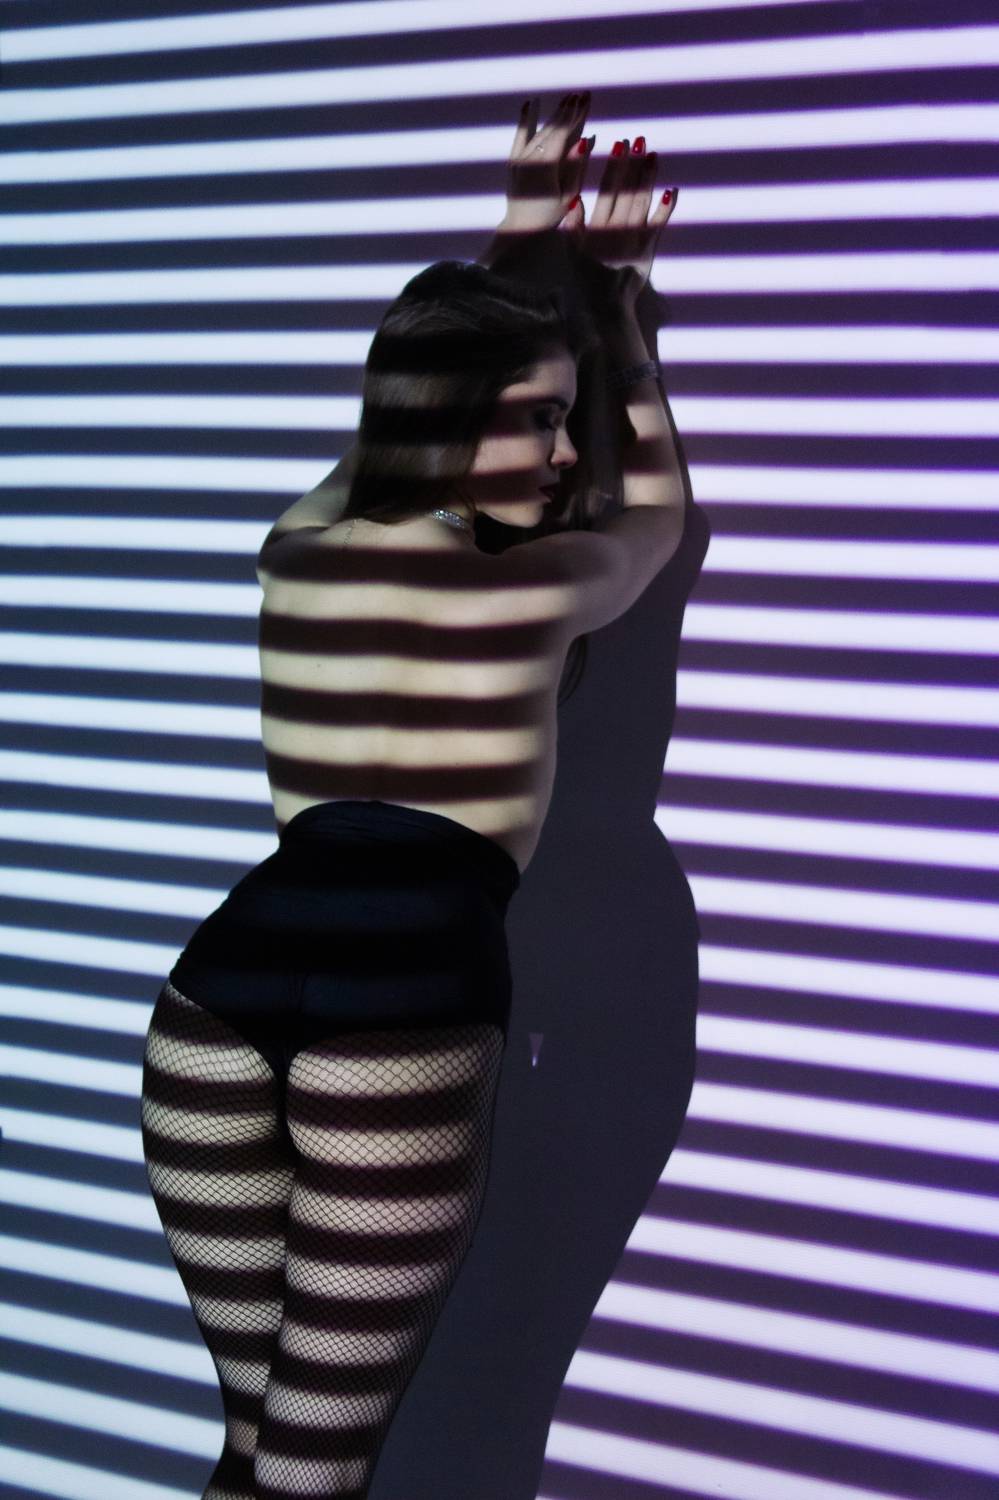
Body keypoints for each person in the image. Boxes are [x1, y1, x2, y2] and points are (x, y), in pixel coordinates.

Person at [140, 94, 684, 1500]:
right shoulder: (536, 590)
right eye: (540, 423)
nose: (566, 456)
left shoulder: (304, 539)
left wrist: (520, 228)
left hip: (217, 997)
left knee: (257, 1452)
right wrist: (618, 317)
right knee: (314, 1473)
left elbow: (410, 397)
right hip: (402, 988)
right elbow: (660, 517)